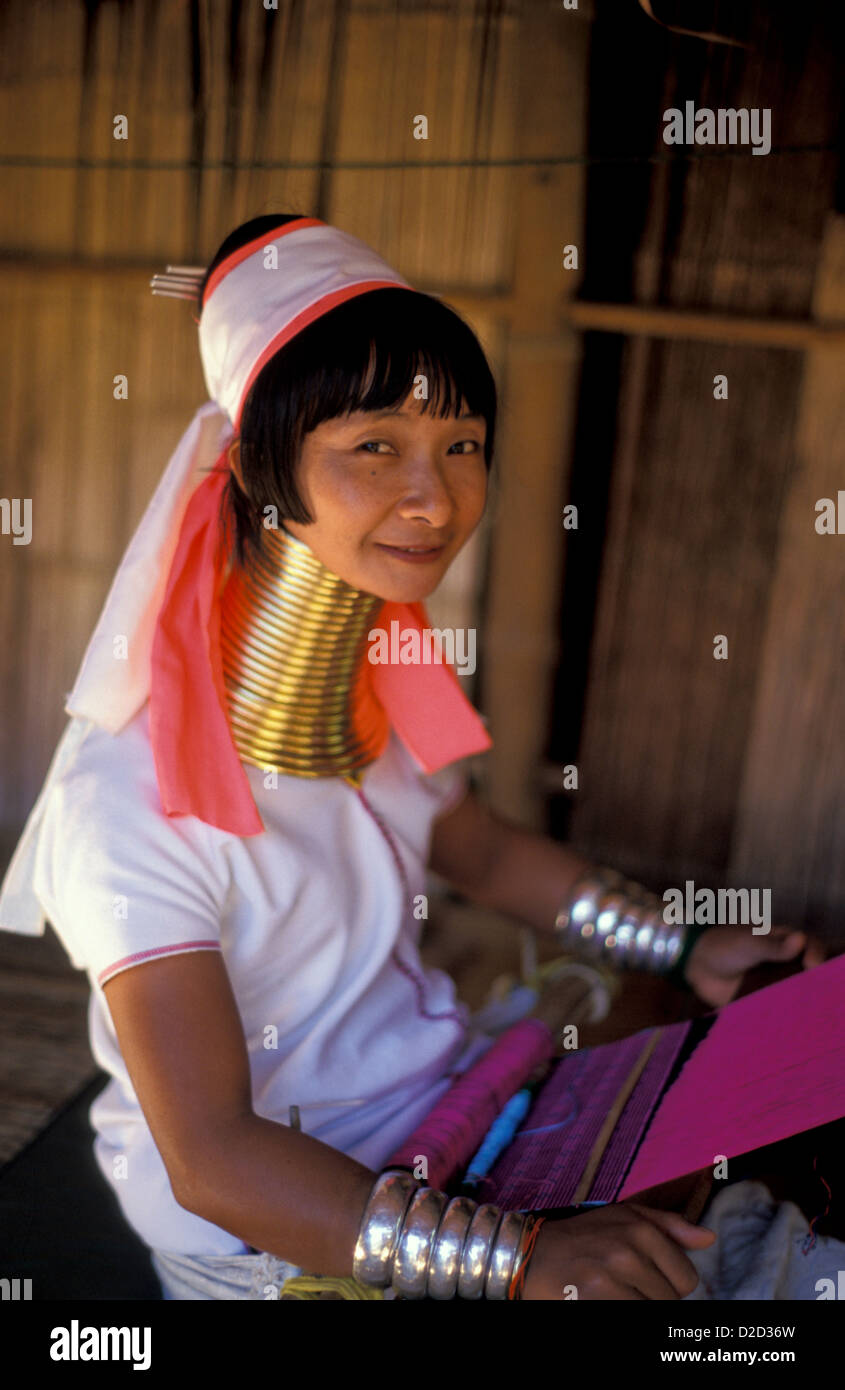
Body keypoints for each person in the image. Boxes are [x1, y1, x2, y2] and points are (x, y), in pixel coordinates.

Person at [0, 214, 826, 1301]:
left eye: (461, 445)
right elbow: (210, 1158)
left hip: (463, 1118)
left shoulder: (369, 703)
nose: (434, 500)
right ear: (257, 470)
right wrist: (523, 1260)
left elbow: (480, 854)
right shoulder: (126, 798)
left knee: (772, 1264)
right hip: (295, 1233)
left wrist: (681, 948)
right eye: (373, 447)